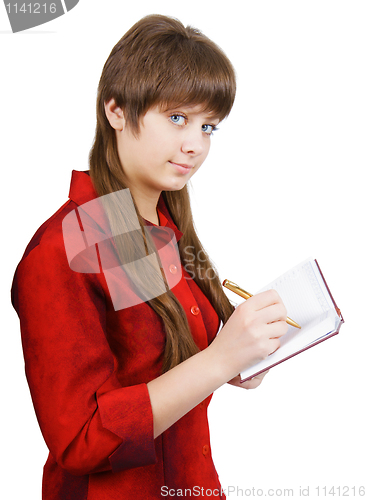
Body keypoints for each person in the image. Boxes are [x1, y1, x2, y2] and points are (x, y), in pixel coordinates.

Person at [11, 14, 288, 500]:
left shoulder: (157, 225)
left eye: (209, 126)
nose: (195, 145)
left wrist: (238, 360)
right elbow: (82, 440)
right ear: (116, 110)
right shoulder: (65, 249)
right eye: (177, 118)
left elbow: (153, 367)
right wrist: (219, 360)